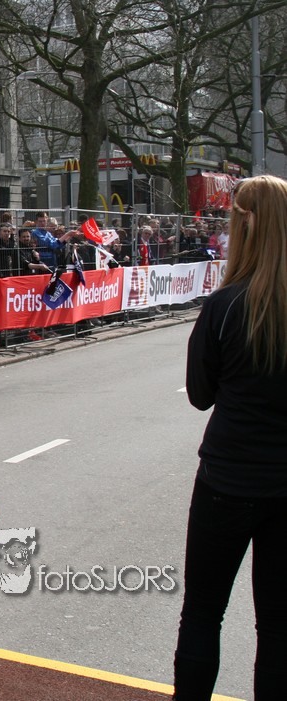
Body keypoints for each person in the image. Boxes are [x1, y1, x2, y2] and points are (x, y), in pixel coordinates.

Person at [173, 175, 287, 701]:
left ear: (244, 225)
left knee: (203, 611)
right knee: (278, 624)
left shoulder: (225, 306)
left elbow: (200, 394)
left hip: (228, 477)